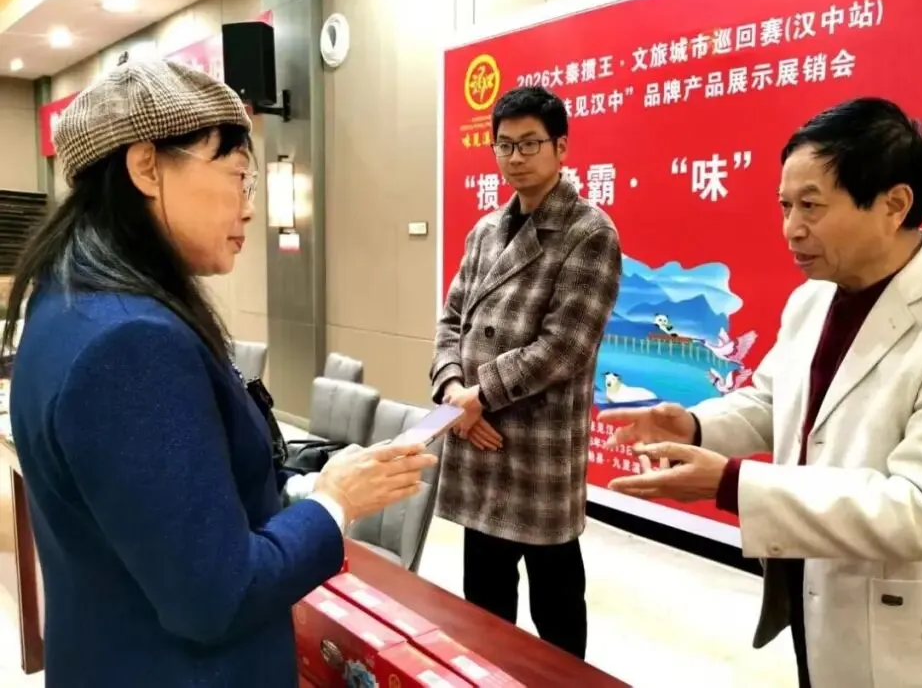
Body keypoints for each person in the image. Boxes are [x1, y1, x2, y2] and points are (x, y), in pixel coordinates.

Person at [0, 59, 437, 688]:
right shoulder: (131, 343)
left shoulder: (66, 301)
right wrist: (335, 503)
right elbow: (218, 598)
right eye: (238, 175)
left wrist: (302, 483)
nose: (249, 208)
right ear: (147, 167)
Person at [599, 97, 922, 688]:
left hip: (903, 628)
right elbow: (772, 401)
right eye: (785, 205)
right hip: (814, 591)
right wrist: (696, 426)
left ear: (894, 204)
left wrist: (730, 483)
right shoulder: (813, 299)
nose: (791, 228)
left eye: (811, 206)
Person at [431, 86, 621, 659]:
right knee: (484, 605)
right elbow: (450, 320)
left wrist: (478, 396)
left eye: (530, 144)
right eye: (505, 145)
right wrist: (453, 391)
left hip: (536, 450)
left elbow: (564, 347)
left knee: (556, 612)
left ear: (561, 147)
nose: (515, 157)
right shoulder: (485, 231)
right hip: (476, 437)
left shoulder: (590, 233)